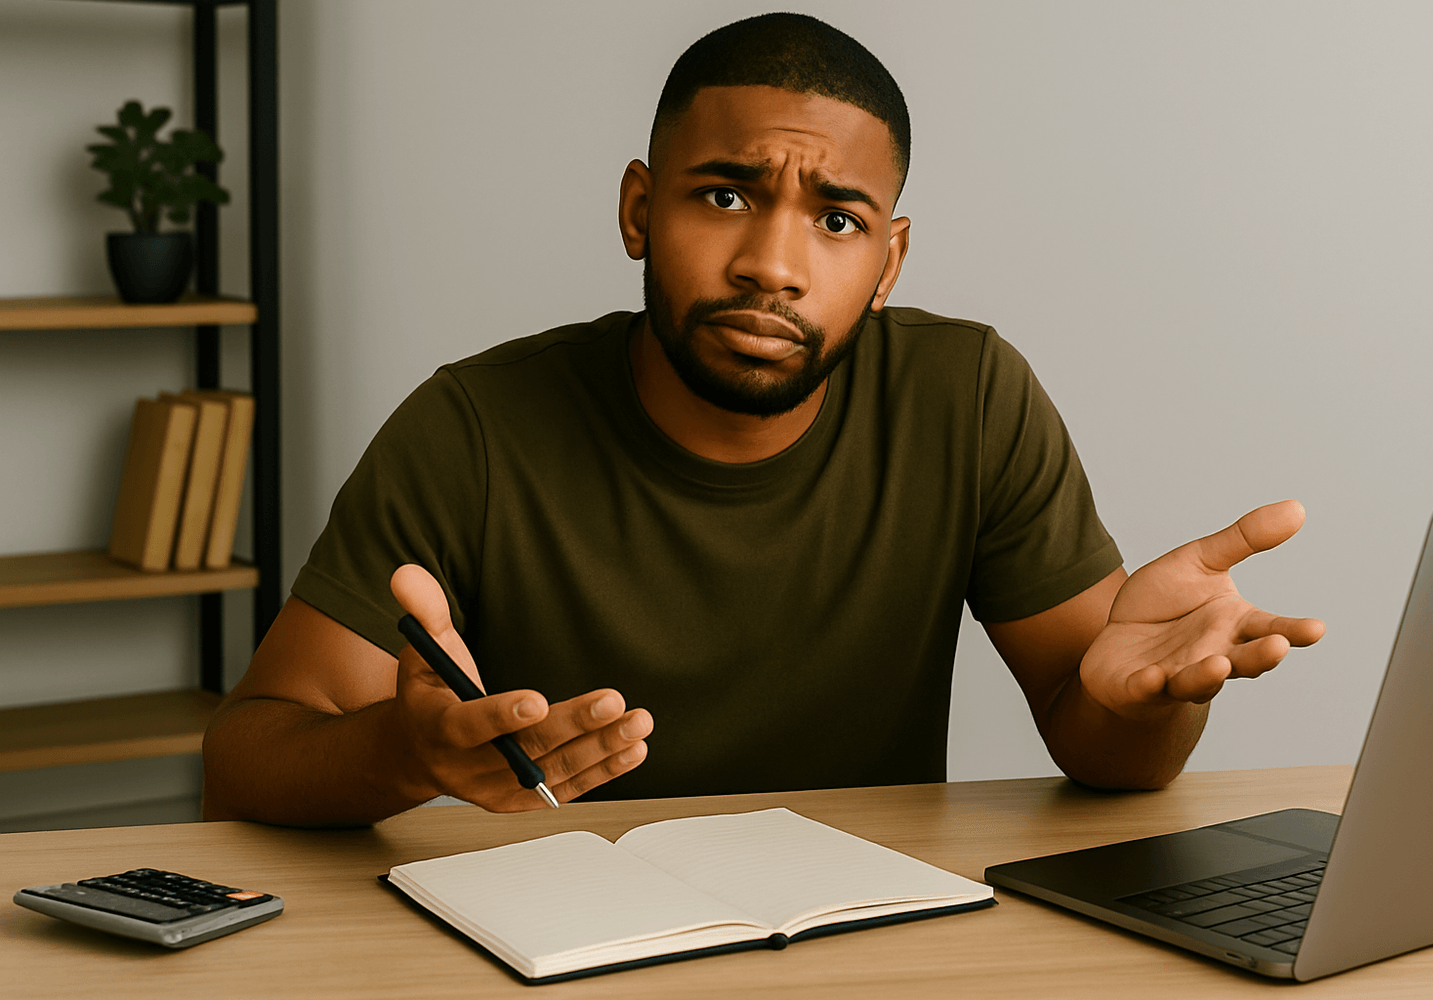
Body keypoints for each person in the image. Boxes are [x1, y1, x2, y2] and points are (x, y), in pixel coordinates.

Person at [201, 13, 1324, 827]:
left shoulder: (969, 394)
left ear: (888, 262)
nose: (772, 266)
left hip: (859, 932)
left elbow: (1111, 752)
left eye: (835, 219)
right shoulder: (475, 424)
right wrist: (404, 757)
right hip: (557, 945)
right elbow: (246, 755)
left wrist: (1146, 702)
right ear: (641, 209)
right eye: (726, 195)